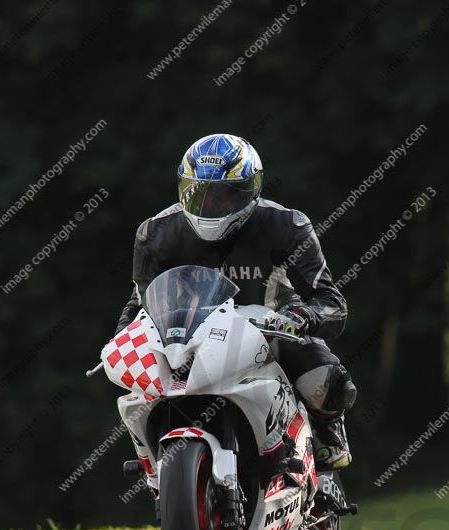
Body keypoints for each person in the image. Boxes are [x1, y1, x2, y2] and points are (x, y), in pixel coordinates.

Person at [115, 133, 356, 468]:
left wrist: (302, 315)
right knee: (138, 392)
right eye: (199, 193)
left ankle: (327, 430)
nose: (209, 205)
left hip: (272, 328)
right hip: (187, 338)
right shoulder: (156, 233)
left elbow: (330, 300)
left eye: (224, 195)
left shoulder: (287, 225)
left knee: (326, 380)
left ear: (250, 190)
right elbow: (140, 301)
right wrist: (124, 337)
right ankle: (152, 463)